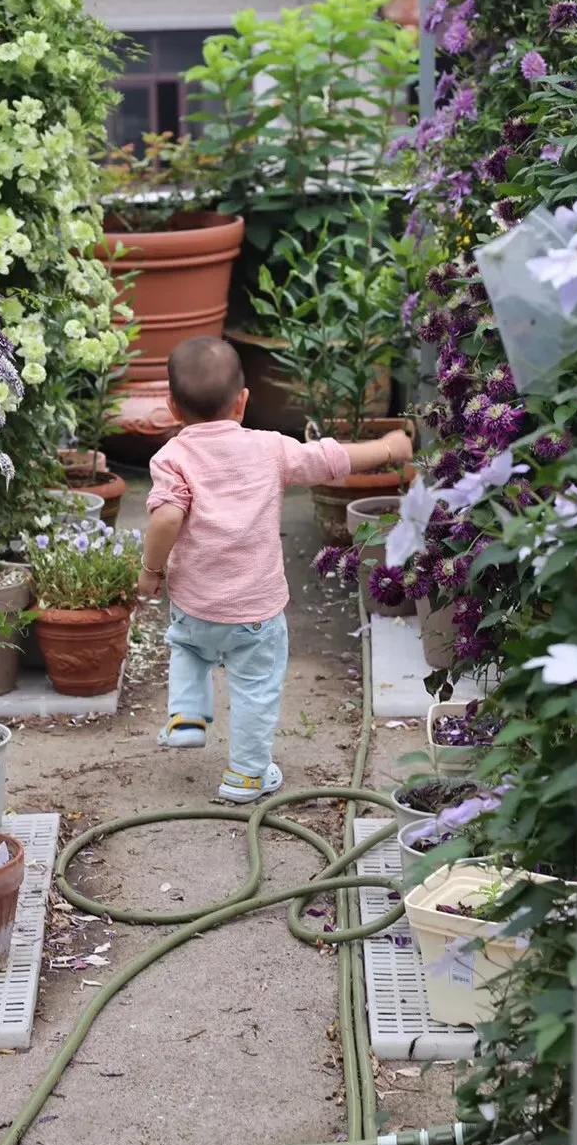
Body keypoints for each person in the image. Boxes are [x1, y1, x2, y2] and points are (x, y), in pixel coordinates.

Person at [138, 336, 413, 802]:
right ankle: (246, 775)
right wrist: (388, 447)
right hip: (255, 613)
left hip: (195, 604)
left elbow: (166, 516)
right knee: (255, 688)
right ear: (242, 403)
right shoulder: (269, 449)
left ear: (171, 407)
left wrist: (151, 570)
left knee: (186, 646)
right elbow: (330, 460)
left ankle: (186, 714)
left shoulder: (172, 458)